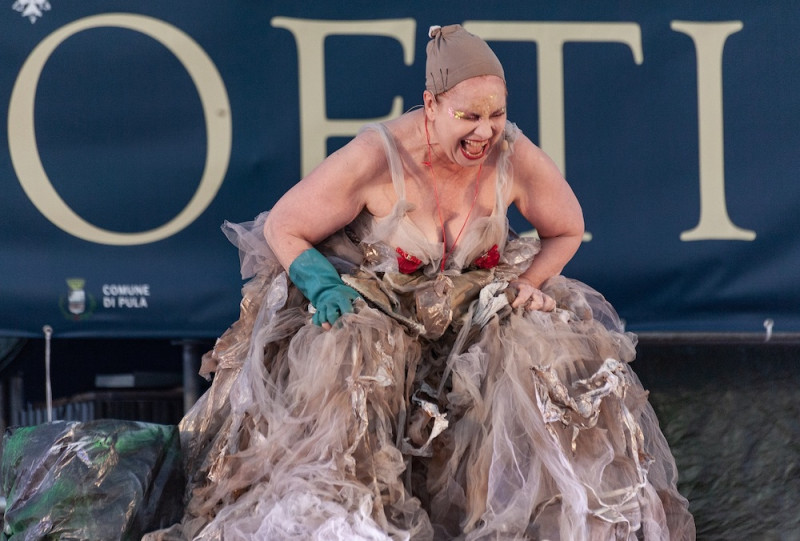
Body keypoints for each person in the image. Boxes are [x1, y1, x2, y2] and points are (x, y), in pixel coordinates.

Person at [149, 24, 695, 540]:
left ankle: (548, 521)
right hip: (380, 307)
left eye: (496, 115)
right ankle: (348, 521)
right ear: (431, 105)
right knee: (346, 361)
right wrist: (322, 284)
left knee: (553, 355)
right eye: (468, 116)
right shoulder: (376, 156)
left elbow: (567, 228)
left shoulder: (512, 154)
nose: (485, 131)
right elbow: (283, 227)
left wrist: (531, 282)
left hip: (475, 309)